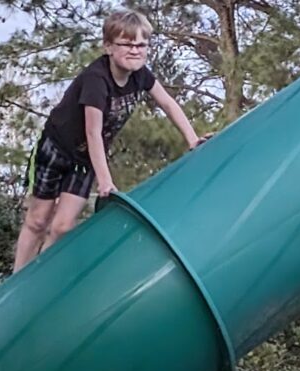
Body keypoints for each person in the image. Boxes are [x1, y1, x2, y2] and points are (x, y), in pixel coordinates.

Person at [13, 8, 207, 273]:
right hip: (56, 149)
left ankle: (34, 277)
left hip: (85, 160)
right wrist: (105, 179)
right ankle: (16, 278)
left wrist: (192, 139)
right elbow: (93, 132)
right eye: (127, 44)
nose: (135, 50)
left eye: (142, 45)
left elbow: (168, 103)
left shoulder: (141, 75)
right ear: (108, 47)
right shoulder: (97, 79)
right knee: (38, 220)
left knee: (63, 226)